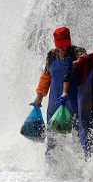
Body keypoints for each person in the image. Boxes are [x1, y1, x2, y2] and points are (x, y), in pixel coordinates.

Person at [34, 26, 86, 161]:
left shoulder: (77, 52)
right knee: (53, 137)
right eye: (60, 47)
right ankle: (53, 169)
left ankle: (81, 169)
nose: (62, 49)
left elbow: (85, 66)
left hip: (74, 102)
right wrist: (39, 95)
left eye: (65, 46)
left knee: (77, 136)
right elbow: (46, 76)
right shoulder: (51, 55)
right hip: (55, 103)